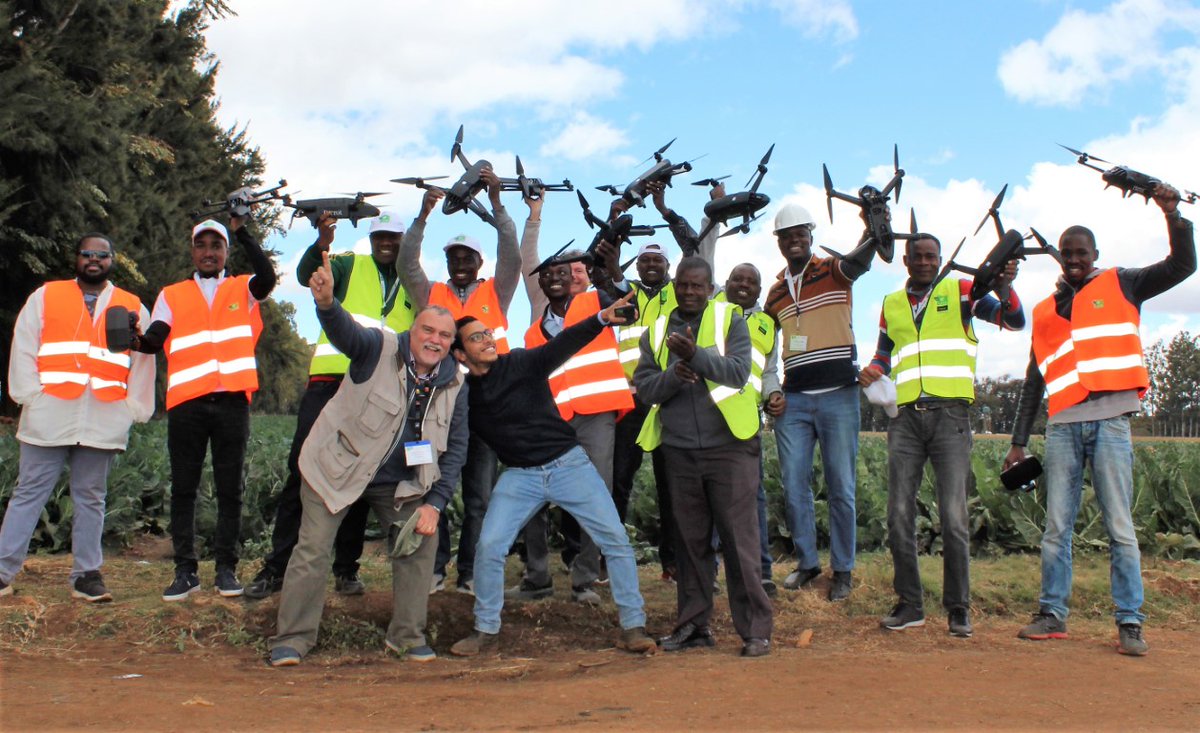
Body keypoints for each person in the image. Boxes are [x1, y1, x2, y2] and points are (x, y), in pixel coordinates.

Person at [1005, 183, 1194, 656]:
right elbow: (1034, 380)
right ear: (1060, 257)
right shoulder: (1046, 311)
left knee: (1120, 528)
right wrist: (1017, 441)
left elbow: (1182, 265)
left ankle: (1130, 621)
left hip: (1111, 423)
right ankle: (1052, 613)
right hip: (1063, 426)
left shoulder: (1123, 282)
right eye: (1067, 252)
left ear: (1095, 254)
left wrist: (1173, 216)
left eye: (1082, 252)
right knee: (1056, 528)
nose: (1074, 258)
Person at [268, 253, 469, 667]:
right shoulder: (378, 347)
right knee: (313, 550)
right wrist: (326, 304)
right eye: (427, 329)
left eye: (445, 335)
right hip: (336, 470)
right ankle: (293, 638)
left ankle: (407, 637)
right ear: (411, 331)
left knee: (419, 541)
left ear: (452, 343)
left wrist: (434, 504)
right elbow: (345, 333)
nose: (435, 340)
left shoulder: (455, 384)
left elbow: (457, 450)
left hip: (399, 484)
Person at [446, 292, 656, 657]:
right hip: (519, 477)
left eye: (488, 333)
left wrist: (602, 318)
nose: (488, 339)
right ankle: (486, 630)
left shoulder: (521, 363)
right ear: (460, 355)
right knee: (490, 546)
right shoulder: (463, 396)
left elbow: (564, 343)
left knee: (615, 540)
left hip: (567, 464)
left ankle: (633, 627)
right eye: (476, 337)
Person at [860, 234, 1024, 637]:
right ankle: (910, 604)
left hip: (951, 417)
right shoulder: (891, 304)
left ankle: (958, 608)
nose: (924, 262)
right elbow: (885, 352)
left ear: (939, 259)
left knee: (953, 516)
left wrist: (1005, 284)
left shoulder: (963, 291)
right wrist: (874, 369)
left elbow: (1013, 320)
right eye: (917, 256)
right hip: (903, 420)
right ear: (905, 260)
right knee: (898, 514)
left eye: (931, 256)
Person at [245, 212, 415, 600]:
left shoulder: (412, 283)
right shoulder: (350, 264)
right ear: (371, 240)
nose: (386, 243)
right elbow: (309, 272)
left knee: (361, 473)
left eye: (393, 237)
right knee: (301, 470)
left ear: (403, 240)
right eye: (380, 237)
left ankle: (346, 568)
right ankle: (277, 567)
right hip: (329, 382)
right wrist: (322, 241)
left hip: (375, 391)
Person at [0, 234, 155, 601]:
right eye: (87, 253)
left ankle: (86, 575)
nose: (93, 259)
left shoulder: (131, 304)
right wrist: (29, 395)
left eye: (101, 254)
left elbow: (144, 360)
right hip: (48, 412)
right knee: (29, 492)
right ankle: (3, 570)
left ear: (112, 260)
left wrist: (133, 408)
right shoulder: (47, 295)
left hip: (103, 414)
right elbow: (24, 344)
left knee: (90, 496)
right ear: (76, 258)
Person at [634, 256, 773, 657]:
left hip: (729, 446)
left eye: (698, 286)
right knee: (690, 543)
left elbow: (737, 372)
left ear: (711, 288)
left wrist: (695, 355)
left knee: (738, 540)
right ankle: (694, 626)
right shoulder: (657, 331)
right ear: (675, 287)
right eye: (683, 285)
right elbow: (645, 388)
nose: (690, 292)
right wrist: (673, 377)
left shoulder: (731, 319)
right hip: (679, 449)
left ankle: (755, 631)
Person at [136, 216, 276, 600]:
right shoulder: (172, 294)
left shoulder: (242, 287)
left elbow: (267, 277)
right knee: (184, 489)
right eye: (202, 245)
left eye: (217, 246)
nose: (209, 252)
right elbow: (155, 339)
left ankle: (226, 570)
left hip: (232, 401)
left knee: (230, 490)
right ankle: (185, 571)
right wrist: (134, 339)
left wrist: (244, 231)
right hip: (187, 404)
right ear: (193, 251)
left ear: (226, 252)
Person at [399, 172, 519, 595]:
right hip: (439, 405)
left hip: (486, 406)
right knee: (433, 488)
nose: (462, 262)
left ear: (479, 263)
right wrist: (423, 217)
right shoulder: (431, 294)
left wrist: (498, 205)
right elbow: (406, 264)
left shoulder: (497, 293)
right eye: (455, 256)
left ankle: (469, 573)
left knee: (480, 497)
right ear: (447, 262)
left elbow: (513, 257)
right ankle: (435, 569)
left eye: (468, 256)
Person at [509, 234, 633, 603]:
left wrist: (610, 270)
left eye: (562, 272)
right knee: (531, 495)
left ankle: (584, 580)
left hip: (596, 415)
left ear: (575, 276)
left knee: (596, 497)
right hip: (553, 424)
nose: (554, 279)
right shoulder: (533, 333)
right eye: (547, 275)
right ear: (541, 283)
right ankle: (537, 578)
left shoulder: (596, 302)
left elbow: (630, 306)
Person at [763, 203, 872, 602]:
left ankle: (842, 569)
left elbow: (862, 261)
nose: (795, 240)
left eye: (801, 234)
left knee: (841, 487)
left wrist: (873, 228)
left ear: (810, 235)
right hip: (794, 401)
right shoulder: (774, 294)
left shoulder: (833, 269)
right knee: (794, 486)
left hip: (839, 395)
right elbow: (766, 353)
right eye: (787, 236)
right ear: (779, 242)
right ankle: (808, 563)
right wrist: (771, 390)